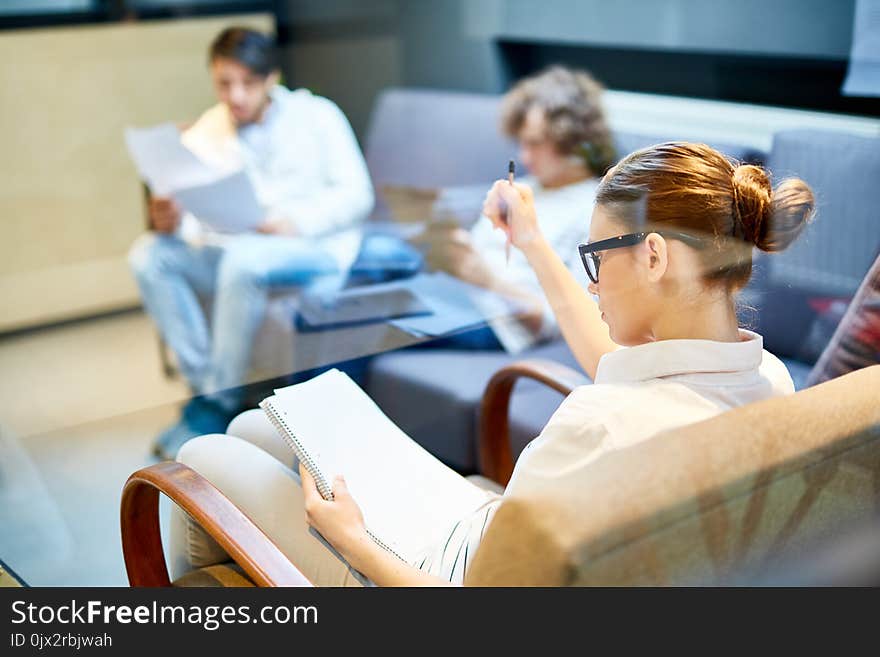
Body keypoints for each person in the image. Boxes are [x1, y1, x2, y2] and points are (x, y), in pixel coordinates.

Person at [169, 141, 815, 586]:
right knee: (259, 428)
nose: (592, 284)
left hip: (434, 571)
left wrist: (354, 539)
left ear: (652, 257)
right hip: (489, 535)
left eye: (597, 258)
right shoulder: (769, 385)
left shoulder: (604, 423)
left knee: (201, 457)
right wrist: (533, 242)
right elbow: (621, 367)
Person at [128, 27, 374, 459]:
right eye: (224, 83)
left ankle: (215, 404)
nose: (235, 96)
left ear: (271, 80)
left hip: (316, 248)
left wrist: (293, 223)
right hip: (239, 251)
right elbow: (199, 221)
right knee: (149, 256)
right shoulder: (209, 129)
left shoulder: (319, 116)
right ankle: (208, 386)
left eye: (247, 83)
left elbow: (358, 195)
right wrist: (174, 225)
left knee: (243, 260)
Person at [422, 66, 616, 351]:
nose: (524, 156)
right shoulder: (526, 188)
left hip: (497, 322)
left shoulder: (592, 211)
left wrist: (487, 280)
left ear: (573, 141)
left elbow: (565, 320)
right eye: (521, 143)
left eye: (535, 144)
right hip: (459, 295)